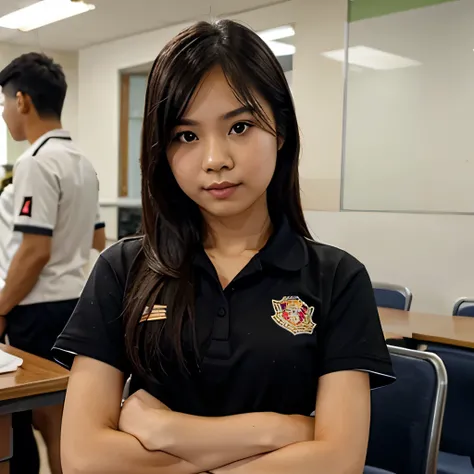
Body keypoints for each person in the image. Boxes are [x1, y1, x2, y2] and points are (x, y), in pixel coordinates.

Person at [54, 20, 394, 474]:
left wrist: (167, 432)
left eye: (240, 126)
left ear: (282, 130)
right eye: (187, 136)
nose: (216, 159)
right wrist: (280, 431)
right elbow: (83, 458)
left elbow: (339, 461)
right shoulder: (123, 268)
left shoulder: (338, 278)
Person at [0, 53, 106, 474]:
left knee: (40, 417)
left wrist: (2, 307)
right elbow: (97, 240)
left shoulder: (35, 163)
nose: (6, 114)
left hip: (35, 308)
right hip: (71, 304)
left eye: (5, 103)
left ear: (22, 101)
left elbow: (34, 251)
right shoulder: (82, 162)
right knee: (58, 417)